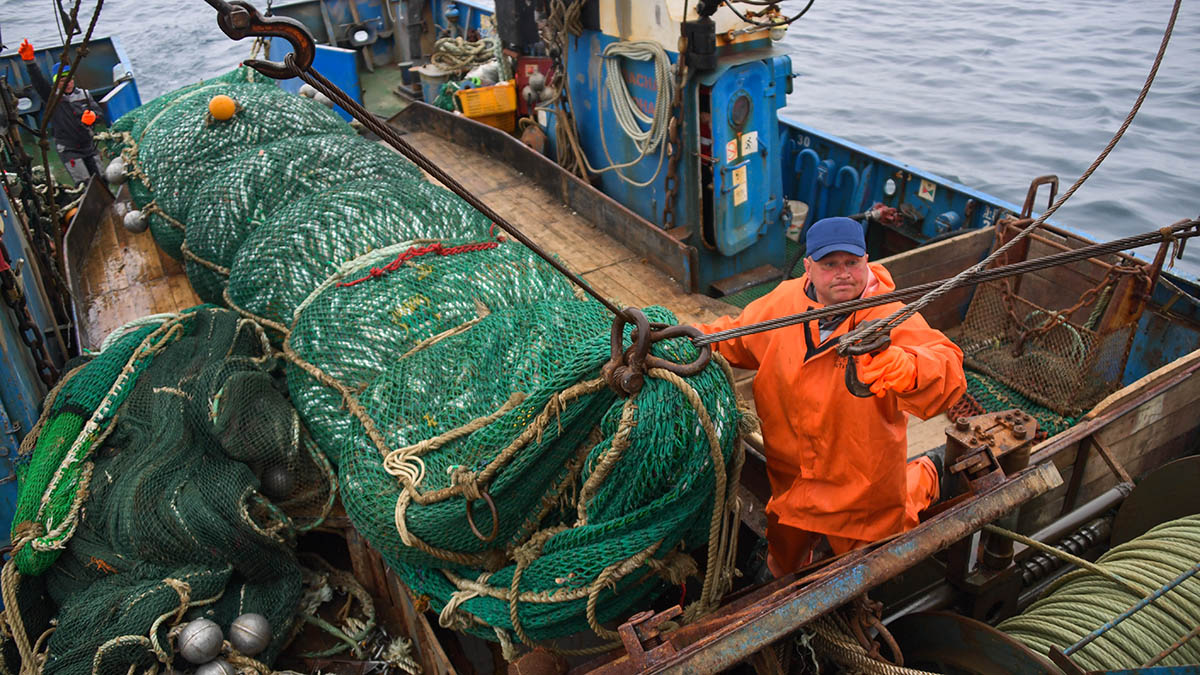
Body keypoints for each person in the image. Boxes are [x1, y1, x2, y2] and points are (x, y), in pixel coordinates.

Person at [694, 216, 966, 577]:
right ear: (808, 267)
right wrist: (687, 338)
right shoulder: (783, 302)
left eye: (852, 263)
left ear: (866, 260)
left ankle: (928, 473)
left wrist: (905, 368)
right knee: (782, 561)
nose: (843, 273)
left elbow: (947, 369)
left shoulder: (890, 314)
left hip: (860, 490)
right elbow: (736, 337)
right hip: (792, 481)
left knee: (872, 564)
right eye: (829, 264)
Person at [18, 39, 106, 185]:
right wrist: (30, 63)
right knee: (85, 184)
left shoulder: (84, 94)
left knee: (102, 179)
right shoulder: (53, 97)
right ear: (56, 82)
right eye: (61, 80)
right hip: (69, 149)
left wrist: (94, 117)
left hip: (89, 145)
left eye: (69, 79)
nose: (67, 83)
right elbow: (38, 82)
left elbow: (100, 114)